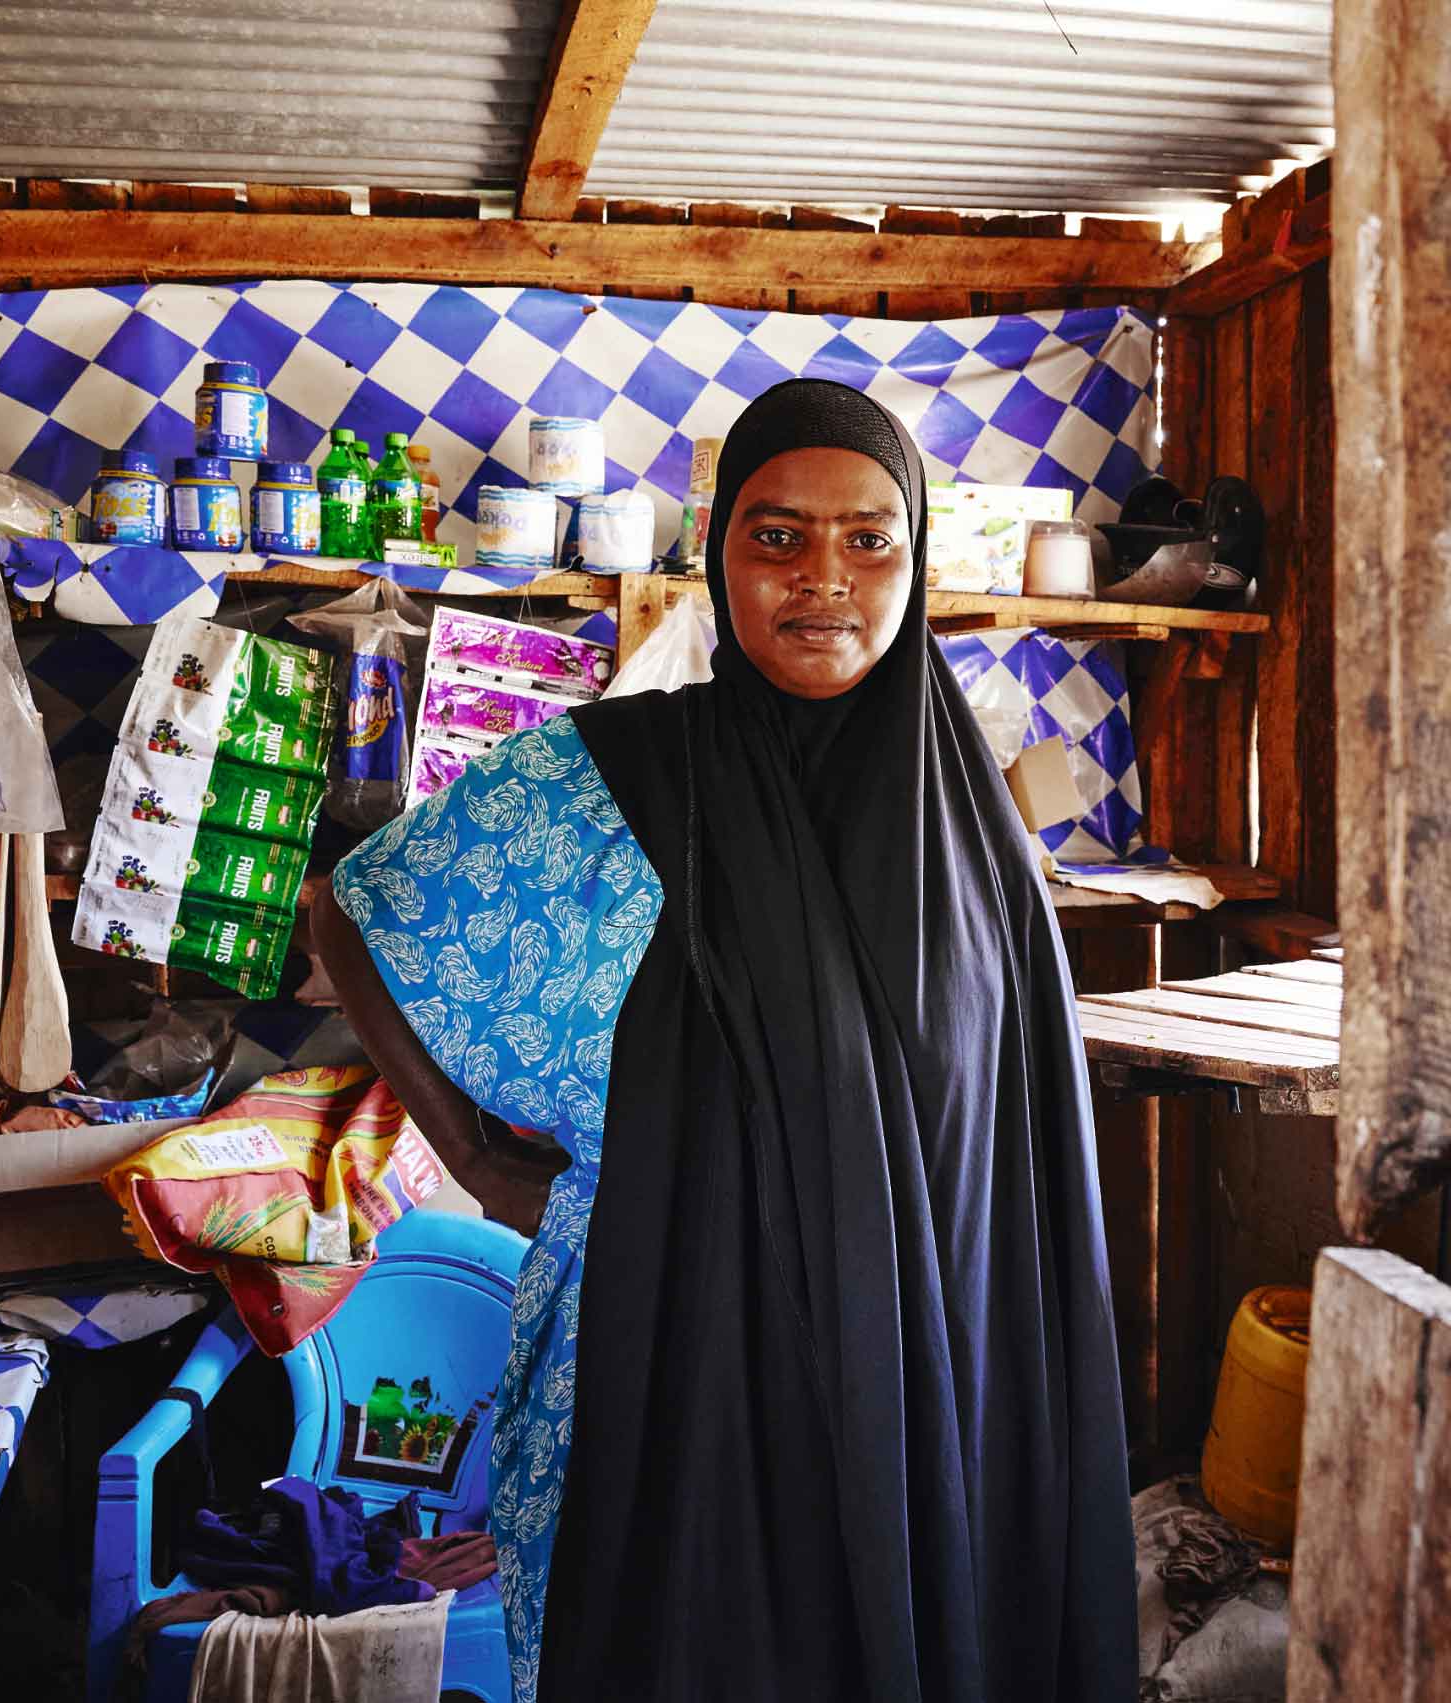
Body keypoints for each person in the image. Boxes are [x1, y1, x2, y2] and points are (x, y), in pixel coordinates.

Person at [314, 378, 1134, 1702]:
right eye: (779, 537)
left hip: (932, 1393)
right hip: (688, 1369)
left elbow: (1019, 1145)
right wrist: (469, 1154)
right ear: (717, 557)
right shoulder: (616, 779)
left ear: (916, 564)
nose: (827, 579)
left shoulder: (972, 819)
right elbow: (358, 911)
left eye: (871, 539)